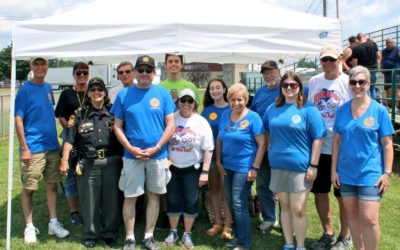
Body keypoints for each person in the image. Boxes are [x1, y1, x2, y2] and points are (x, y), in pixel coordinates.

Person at [111, 55, 175, 250]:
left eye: (149, 70)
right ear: (135, 73)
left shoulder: (163, 94)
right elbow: (117, 126)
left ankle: (148, 236)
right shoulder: (123, 95)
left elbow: (170, 124)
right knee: (131, 196)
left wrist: (156, 147)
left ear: (154, 73)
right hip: (132, 156)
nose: (145, 73)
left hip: (158, 155)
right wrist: (130, 148)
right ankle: (130, 238)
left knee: (154, 195)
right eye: (141, 70)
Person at [331, 66, 394, 250]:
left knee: (370, 219)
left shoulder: (379, 111)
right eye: (353, 82)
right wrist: (333, 170)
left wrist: (387, 172)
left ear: (368, 84)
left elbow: (387, 144)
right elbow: (336, 142)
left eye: (361, 82)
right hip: (346, 173)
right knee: (352, 216)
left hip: (370, 174)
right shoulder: (342, 111)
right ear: (349, 84)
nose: (357, 86)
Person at [263, 72, 326, 250]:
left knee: (298, 208)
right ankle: (289, 244)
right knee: (284, 206)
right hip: (278, 165)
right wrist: (269, 142)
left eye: (293, 85)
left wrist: (313, 165)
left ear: (300, 87)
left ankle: (300, 246)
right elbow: (265, 127)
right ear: (281, 88)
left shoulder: (309, 109)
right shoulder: (272, 108)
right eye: (285, 85)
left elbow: (318, 138)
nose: (289, 88)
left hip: (300, 166)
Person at [59, 77, 123, 248]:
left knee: (111, 200)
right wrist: (64, 161)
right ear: (88, 93)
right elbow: (69, 140)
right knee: (89, 200)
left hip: (111, 162)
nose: (96, 92)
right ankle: (91, 234)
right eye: (93, 89)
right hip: (87, 163)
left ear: (105, 93)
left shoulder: (113, 113)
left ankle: (110, 232)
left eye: (100, 89)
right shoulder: (79, 114)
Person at [15, 57, 69, 245]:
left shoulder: (47, 88)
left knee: (52, 185)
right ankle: (29, 226)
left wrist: (57, 142)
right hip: (33, 148)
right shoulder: (24, 90)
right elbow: (18, 120)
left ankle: (53, 223)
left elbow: (47, 116)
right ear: (31, 67)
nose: (40, 67)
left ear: (47, 67)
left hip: (51, 147)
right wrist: (25, 148)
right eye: (36, 64)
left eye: (43, 64)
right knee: (30, 188)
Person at [307, 44, 353, 250]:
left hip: (342, 148)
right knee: (320, 192)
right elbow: (310, 110)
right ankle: (328, 233)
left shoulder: (348, 82)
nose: (327, 63)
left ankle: (345, 236)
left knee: (343, 194)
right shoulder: (314, 81)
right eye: (324, 59)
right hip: (319, 147)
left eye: (331, 59)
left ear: (340, 58)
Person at [216, 83, 266, 250]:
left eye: (239, 99)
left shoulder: (253, 118)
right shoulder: (225, 115)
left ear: (246, 99)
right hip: (227, 166)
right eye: (232, 99)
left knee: (238, 202)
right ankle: (239, 236)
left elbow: (262, 144)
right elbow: (220, 139)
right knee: (230, 201)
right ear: (228, 100)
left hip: (244, 167)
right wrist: (218, 162)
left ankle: (244, 243)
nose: (236, 103)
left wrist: (255, 168)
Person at [164, 88, 214, 249]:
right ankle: (173, 231)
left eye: (189, 101)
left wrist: (205, 172)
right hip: (172, 167)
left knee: (191, 201)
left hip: (193, 168)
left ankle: (187, 232)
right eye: (183, 100)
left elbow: (209, 148)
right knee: (172, 199)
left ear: (195, 104)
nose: (186, 104)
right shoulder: (171, 119)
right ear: (177, 102)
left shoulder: (201, 122)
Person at [55, 62, 89, 226]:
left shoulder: (94, 91)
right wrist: (71, 130)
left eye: (85, 72)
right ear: (74, 74)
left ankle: (90, 207)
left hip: (89, 143)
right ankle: (74, 212)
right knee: (71, 178)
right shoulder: (67, 94)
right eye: (79, 73)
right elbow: (60, 115)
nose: (82, 76)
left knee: (90, 175)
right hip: (72, 142)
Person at [201, 79, 233, 240]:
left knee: (226, 191)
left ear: (224, 89)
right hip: (212, 156)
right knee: (214, 190)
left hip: (229, 156)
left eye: (218, 87)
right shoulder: (207, 111)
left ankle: (228, 225)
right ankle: (218, 223)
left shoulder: (233, 107)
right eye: (212, 88)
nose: (215, 91)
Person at [250, 60, 280, 232]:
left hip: (280, 145)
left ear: (278, 71)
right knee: (263, 183)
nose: (269, 75)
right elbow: (253, 115)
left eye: (272, 71)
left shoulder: (287, 89)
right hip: (261, 145)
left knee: (284, 184)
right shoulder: (260, 92)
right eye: (265, 73)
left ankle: (286, 218)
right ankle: (269, 217)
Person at [352, 33, 382, 98]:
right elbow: (379, 56)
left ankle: (368, 105)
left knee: (366, 88)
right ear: (364, 37)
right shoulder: (373, 44)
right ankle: (373, 104)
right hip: (374, 69)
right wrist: (377, 65)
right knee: (372, 88)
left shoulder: (355, 48)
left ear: (358, 39)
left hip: (363, 71)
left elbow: (354, 63)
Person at [381, 38, 400, 108]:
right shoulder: (384, 51)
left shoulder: (397, 49)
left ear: (393, 42)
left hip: (396, 73)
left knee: (397, 91)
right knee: (388, 90)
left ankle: (398, 107)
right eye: (386, 43)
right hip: (387, 73)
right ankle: (390, 108)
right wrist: (381, 67)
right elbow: (382, 60)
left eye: (390, 42)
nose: (388, 44)